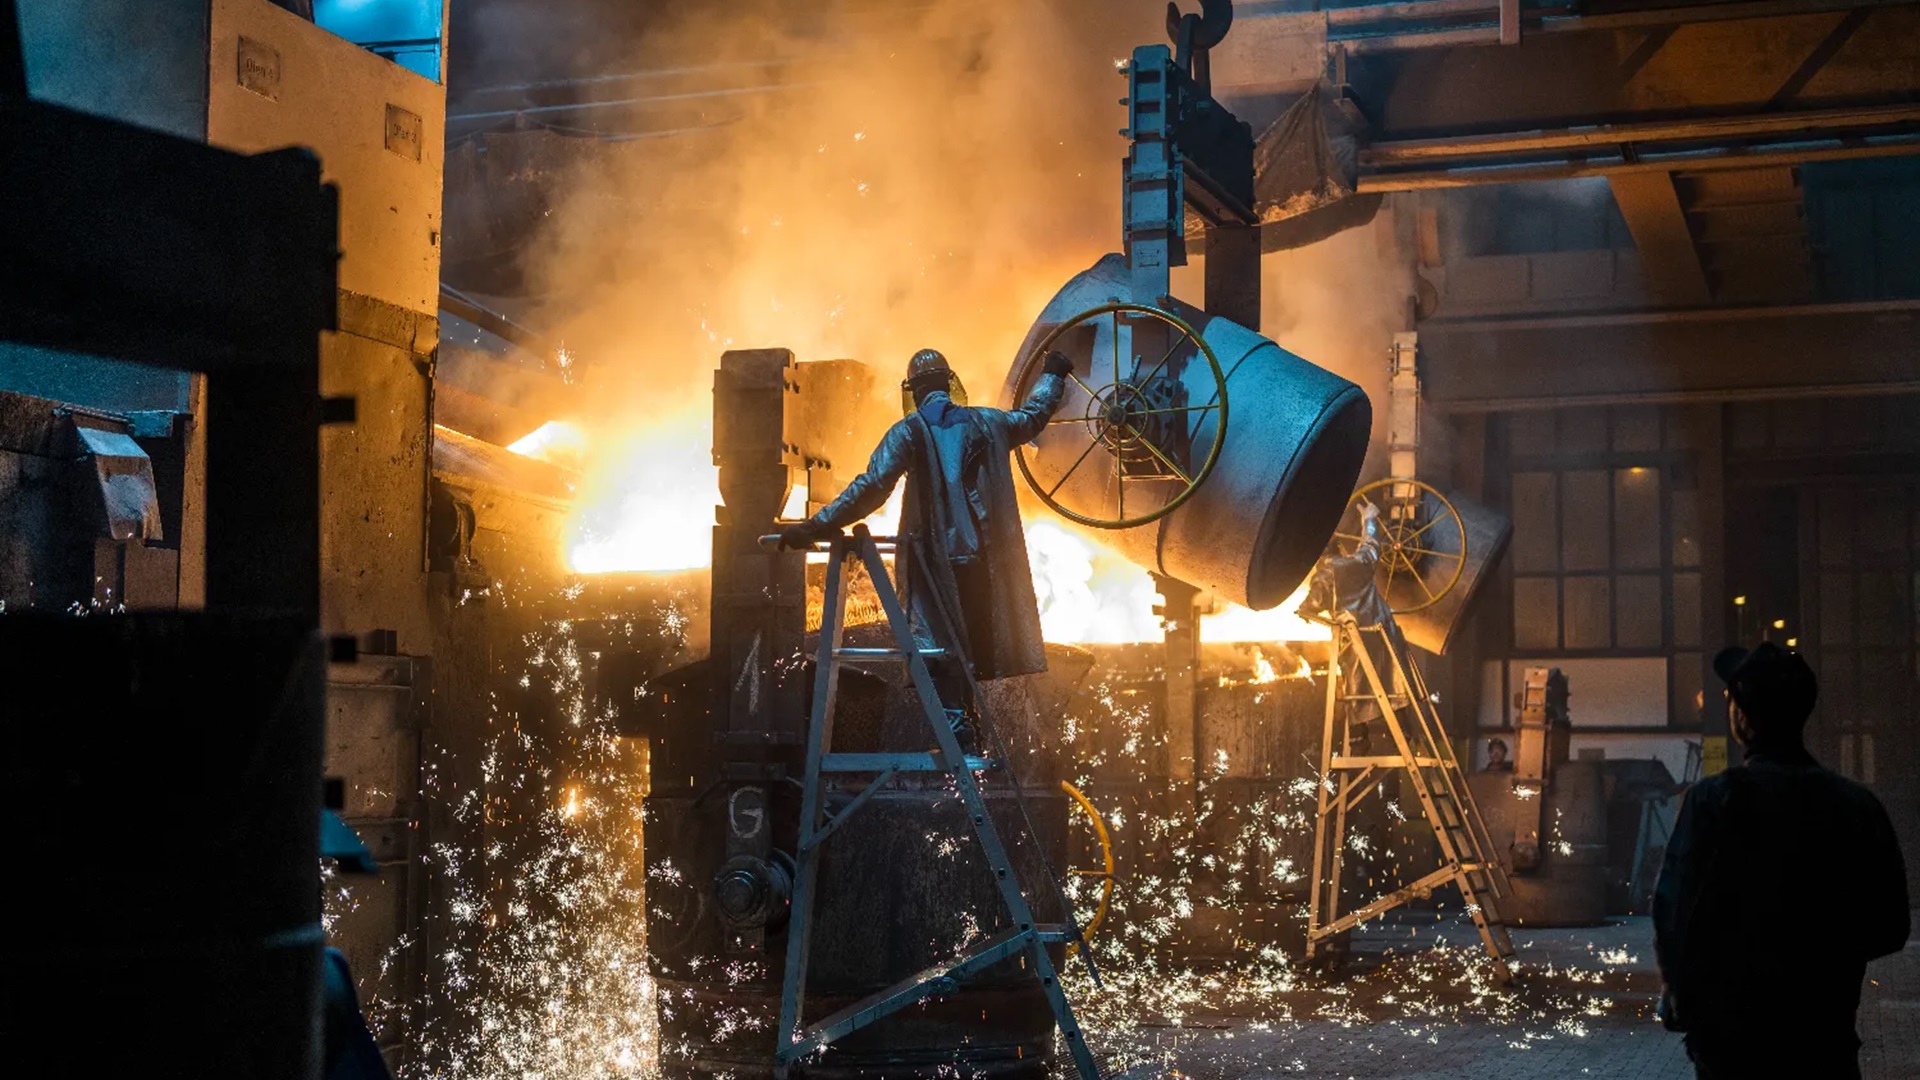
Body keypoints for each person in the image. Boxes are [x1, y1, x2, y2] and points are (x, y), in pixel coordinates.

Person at [1653, 642, 1909, 1079]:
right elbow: (1890, 927)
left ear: (1742, 718)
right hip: (1823, 1042)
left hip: (1732, 1047)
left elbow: (1675, 913)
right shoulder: (1857, 806)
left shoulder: (1714, 801)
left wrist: (1681, 989)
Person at [780, 347, 1072, 690]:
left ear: (913, 391)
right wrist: (1053, 373)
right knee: (975, 661)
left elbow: (871, 487)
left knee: (940, 663)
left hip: (935, 565)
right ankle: (969, 722)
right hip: (982, 564)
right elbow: (1033, 416)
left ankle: (957, 723)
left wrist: (815, 526)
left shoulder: (908, 432)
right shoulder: (990, 422)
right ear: (950, 384)